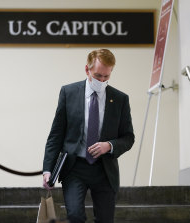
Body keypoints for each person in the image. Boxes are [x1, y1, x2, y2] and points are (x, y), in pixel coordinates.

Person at [42, 49, 135, 223]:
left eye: (106, 77)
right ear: (87, 70)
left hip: (104, 169)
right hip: (75, 167)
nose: (101, 81)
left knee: (105, 219)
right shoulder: (68, 93)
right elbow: (56, 134)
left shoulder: (120, 99)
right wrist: (48, 170)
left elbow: (128, 137)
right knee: (75, 216)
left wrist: (109, 145)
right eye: (98, 75)